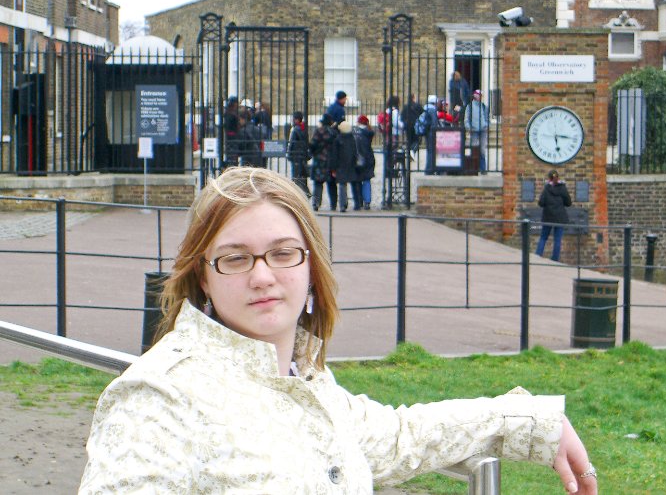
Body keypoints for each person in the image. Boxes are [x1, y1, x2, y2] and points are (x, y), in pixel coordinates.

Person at [79, 166, 598, 494]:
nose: (262, 275)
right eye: (235, 258)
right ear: (202, 276)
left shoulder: (304, 380)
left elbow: (396, 437)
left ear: (311, 266)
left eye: (283, 253)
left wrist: (529, 420)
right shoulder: (157, 397)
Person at [536, 169, 573, 262]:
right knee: (557, 239)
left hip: (548, 216)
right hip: (560, 217)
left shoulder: (547, 188)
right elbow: (568, 203)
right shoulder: (562, 188)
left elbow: (541, 203)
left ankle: (537, 256)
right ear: (558, 178)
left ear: (549, 178)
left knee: (543, 237)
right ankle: (555, 259)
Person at [309, 113, 338, 211]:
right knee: (332, 184)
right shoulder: (334, 133)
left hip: (319, 160)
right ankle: (333, 204)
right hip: (331, 161)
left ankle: (316, 203)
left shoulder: (318, 131)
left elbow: (312, 145)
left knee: (318, 183)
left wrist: (312, 153)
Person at [331, 120, 361, 212]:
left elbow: (334, 155)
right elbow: (355, 153)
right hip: (351, 165)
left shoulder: (338, 139)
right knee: (354, 185)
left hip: (341, 166)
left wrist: (333, 168)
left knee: (342, 186)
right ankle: (357, 204)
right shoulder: (352, 139)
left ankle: (343, 205)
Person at [464, 89, 490, 174]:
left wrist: (487, 125)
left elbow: (487, 117)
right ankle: (474, 168)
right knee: (474, 149)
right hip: (474, 130)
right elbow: (466, 119)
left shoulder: (484, 106)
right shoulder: (469, 106)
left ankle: (482, 168)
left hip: (483, 130)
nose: (480, 96)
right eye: (478, 95)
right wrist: (469, 128)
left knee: (482, 150)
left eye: (480, 95)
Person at [354, 114, 376, 210]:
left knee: (358, 181)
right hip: (368, 158)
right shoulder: (369, 132)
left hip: (357, 159)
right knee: (367, 180)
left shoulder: (355, 132)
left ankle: (359, 201)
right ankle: (367, 201)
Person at [286, 110, 310, 195]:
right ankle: (306, 192)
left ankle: (297, 193)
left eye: (293, 118)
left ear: (297, 119)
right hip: (302, 155)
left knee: (296, 176)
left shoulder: (295, 129)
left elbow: (291, 143)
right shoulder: (304, 128)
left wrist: (289, 154)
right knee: (302, 175)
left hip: (295, 155)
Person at [421, 94, 439, 175]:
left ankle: (429, 169)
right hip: (431, 132)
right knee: (431, 151)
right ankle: (429, 169)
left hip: (427, 131)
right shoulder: (432, 110)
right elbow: (434, 123)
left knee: (429, 150)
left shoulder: (426, 108)